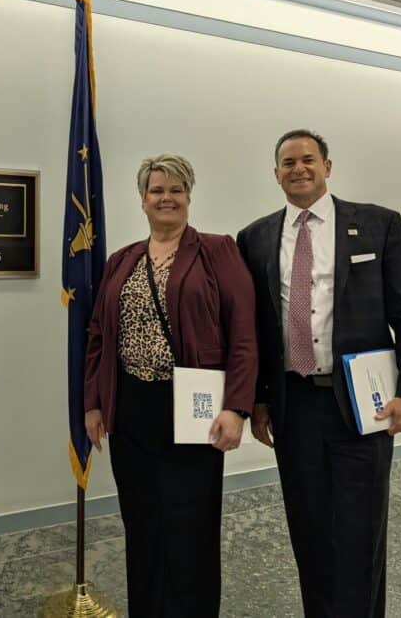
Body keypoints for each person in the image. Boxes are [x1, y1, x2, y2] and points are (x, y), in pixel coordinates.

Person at [236, 129, 401, 618]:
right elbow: (256, 326)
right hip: (293, 405)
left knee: (358, 534)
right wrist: (258, 398)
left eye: (308, 159)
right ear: (275, 173)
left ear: (328, 166)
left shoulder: (377, 225)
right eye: (287, 162)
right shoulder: (256, 237)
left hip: (361, 404)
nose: (298, 168)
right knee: (309, 532)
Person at [83, 154, 257, 618]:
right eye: (157, 190)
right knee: (143, 524)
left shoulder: (217, 250)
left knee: (190, 526)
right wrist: (93, 405)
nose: (167, 198)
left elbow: (243, 333)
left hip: (194, 408)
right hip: (131, 408)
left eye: (176, 190)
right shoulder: (121, 260)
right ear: (143, 201)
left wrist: (237, 407)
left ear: (189, 197)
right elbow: (99, 336)